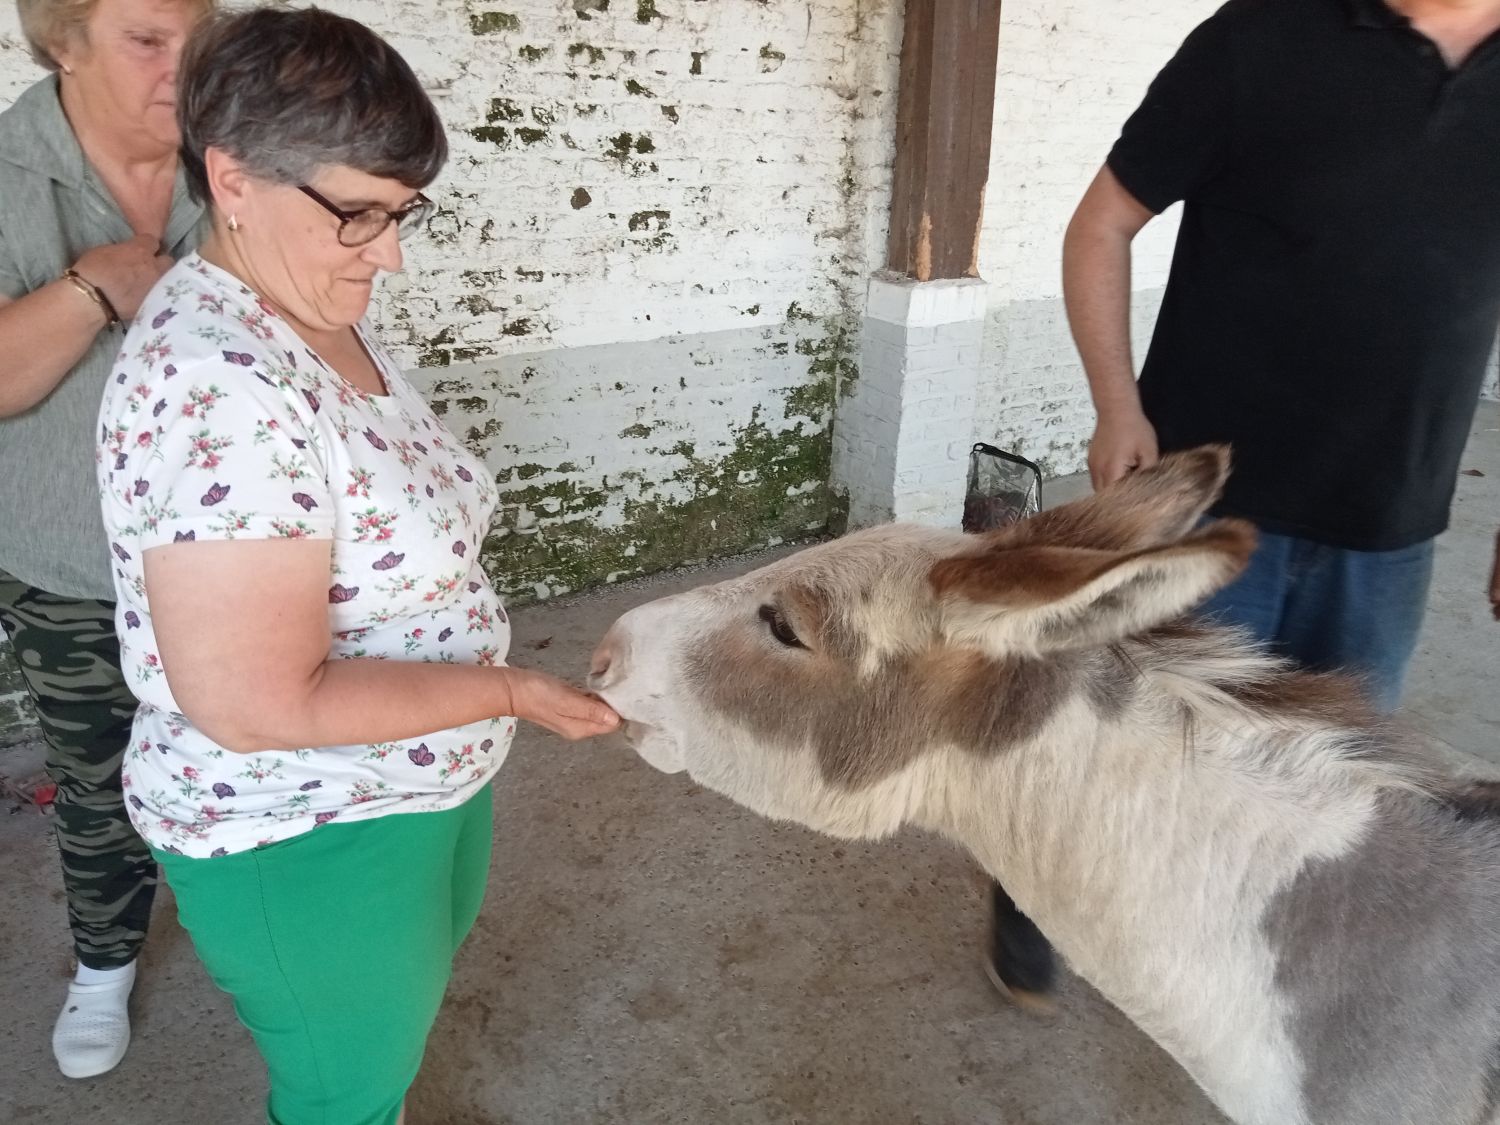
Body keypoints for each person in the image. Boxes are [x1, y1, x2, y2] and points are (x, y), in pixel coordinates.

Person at [95, 8, 619, 1122]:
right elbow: (259, 702)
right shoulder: (219, 387)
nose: (390, 252)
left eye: (402, 211)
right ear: (232, 178)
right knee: (347, 1094)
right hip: (308, 822)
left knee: (386, 1044)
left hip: (411, 777)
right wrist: (511, 692)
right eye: (359, 215)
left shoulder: (304, 303)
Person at [987, 0, 1500, 1009]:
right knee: (1122, 740)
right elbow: (1103, 223)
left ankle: (1243, 949)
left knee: (1331, 771)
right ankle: (1031, 889)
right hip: (1207, 514)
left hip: (1390, 521)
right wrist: (1116, 406)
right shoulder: (1263, 36)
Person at [0, 0, 209, 1079]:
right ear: (62, 41)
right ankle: (104, 962)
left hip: (229, 549)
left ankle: (252, 936)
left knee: (260, 749)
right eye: (147, 40)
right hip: (73, 562)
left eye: (198, 36)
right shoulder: (7, 174)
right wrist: (91, 289)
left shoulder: (242, 159)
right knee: (99, 777)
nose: (185, 66)